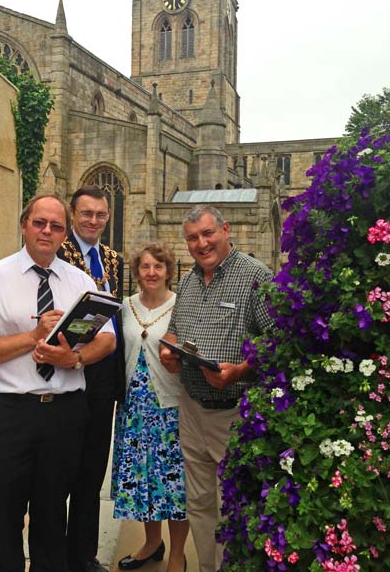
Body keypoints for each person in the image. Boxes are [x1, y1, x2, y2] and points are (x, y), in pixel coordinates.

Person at [0, 195, 116, 572]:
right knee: (5, 519)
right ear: (24, 224)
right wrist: (33, 336)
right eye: (40, 223)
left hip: (64, 417)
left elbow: (107, 339)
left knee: (51, 521)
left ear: (64, 233)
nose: (47, 231)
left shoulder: (79, 281)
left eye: (57, 226)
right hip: (8, 416)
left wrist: (74, 358)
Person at [160, 205, 273, 572]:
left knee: (235, 504)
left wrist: (240, 371)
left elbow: (278, 342)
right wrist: (169, 350)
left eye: (208, 234)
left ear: (225, 229)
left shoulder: (256, 276)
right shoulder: (189, 282)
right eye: (193, 237)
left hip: (233, 414)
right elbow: (175, 330)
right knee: (199, 503)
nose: (201, 243)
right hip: (192, 409)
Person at [57, 185, 124, 572]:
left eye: (100, 215)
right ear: (73, 214)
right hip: (71, 368)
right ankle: (55, 554)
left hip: (104, 376)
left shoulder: (112, 259)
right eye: (86, 214)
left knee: (92, 472)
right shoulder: (60, 254)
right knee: (61, 469)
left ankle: (83, 554)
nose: (93, 221)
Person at [112, 243, 189, 572]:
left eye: (158, 267)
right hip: (134, 408)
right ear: (137, 271)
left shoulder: (181, 306)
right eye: (145, 267)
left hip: (169, 409)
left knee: (173, 485)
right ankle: (151, 544)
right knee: (142, 481)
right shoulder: (125, 307)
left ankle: (176, 554)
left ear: (169, 271)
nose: (151, 273)